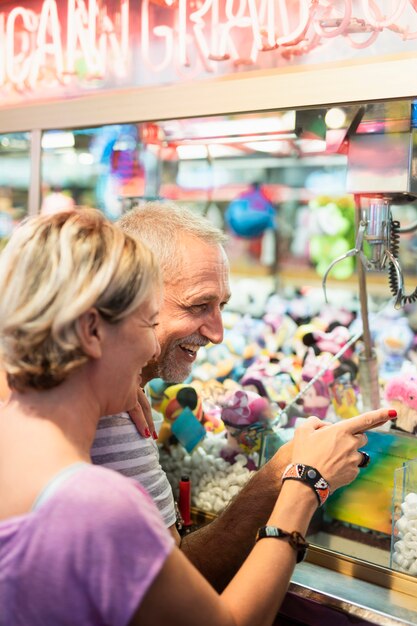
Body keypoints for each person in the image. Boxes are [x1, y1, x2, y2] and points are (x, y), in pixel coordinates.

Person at [0, 208, 397, 626]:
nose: (148, 350)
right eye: (146, 321)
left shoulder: (19, 432)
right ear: (91, 331)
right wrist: (302, 484)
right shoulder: (100, 506)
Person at [89, 202, 389, 591]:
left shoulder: (126, 396)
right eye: (199, 305)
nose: (218, 334)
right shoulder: (109, 416)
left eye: (222, 306)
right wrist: (299, 480)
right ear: (128, 299)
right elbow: (182, 594)